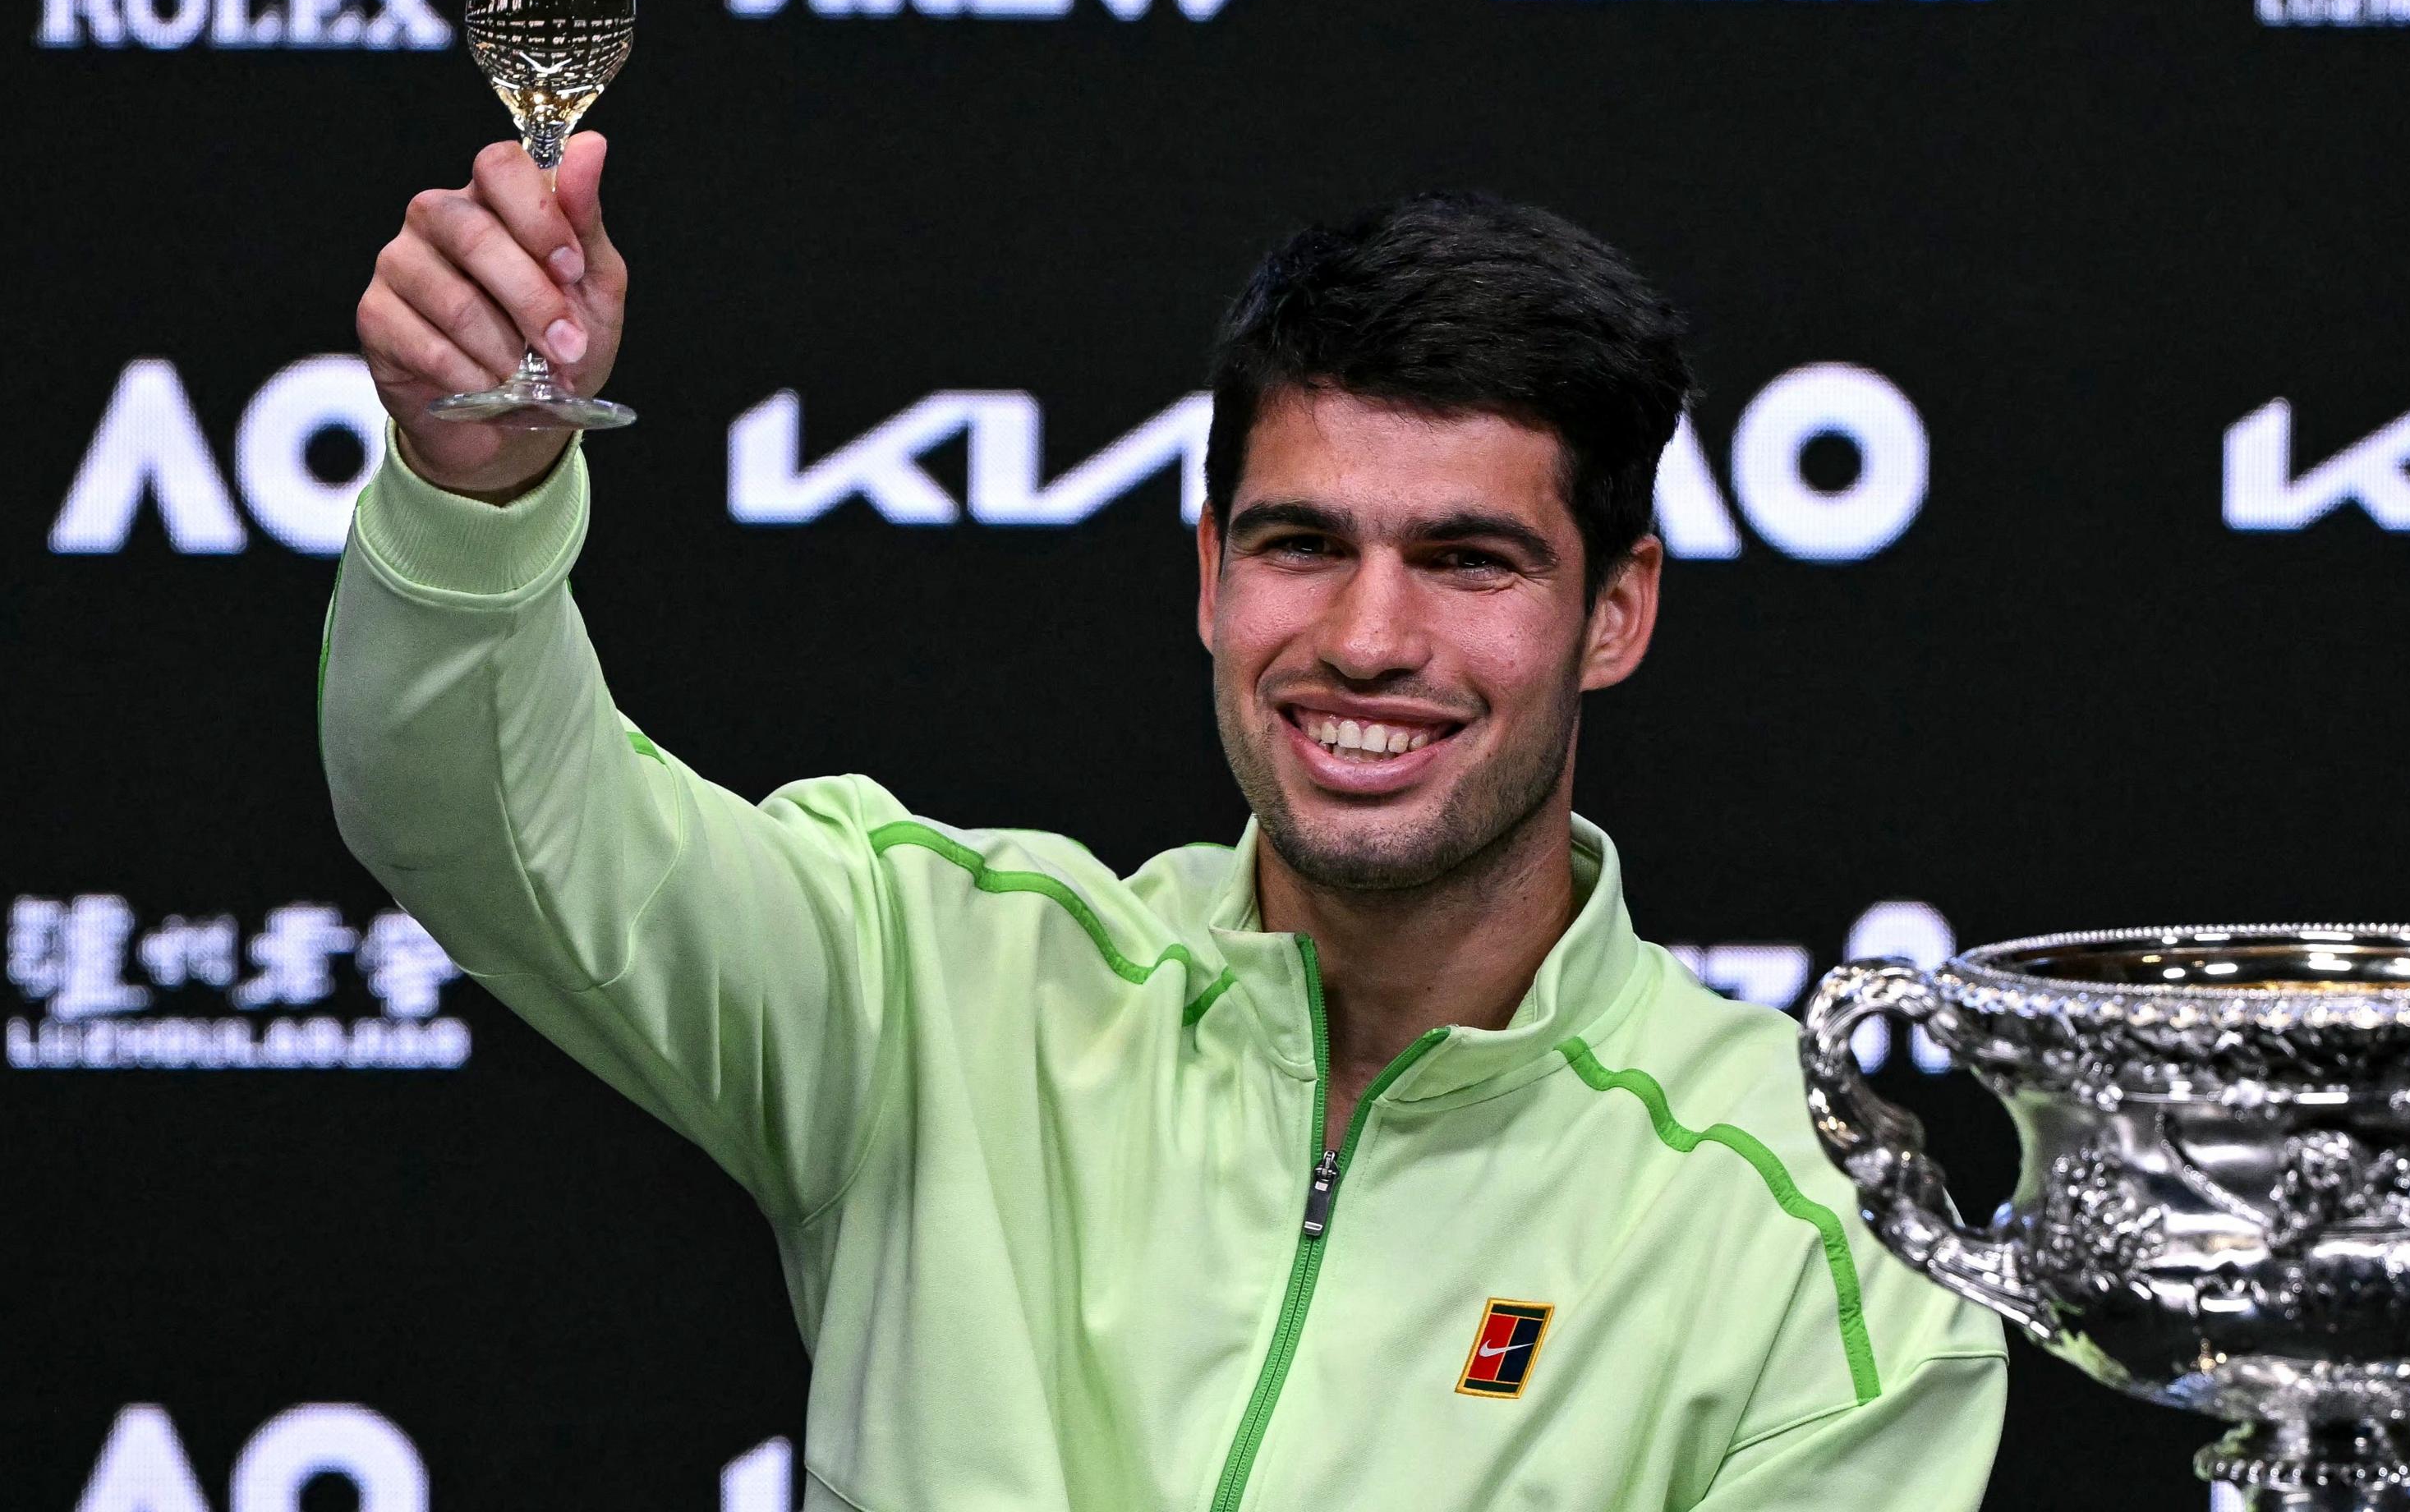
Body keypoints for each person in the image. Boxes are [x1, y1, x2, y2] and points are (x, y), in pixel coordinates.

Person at [323, 134, 2006, 1512]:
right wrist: (475, 492)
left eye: (1467, 561)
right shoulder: (941, 981)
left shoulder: (1817, 1234)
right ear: (1209, 573)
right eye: (1299, 545)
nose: (1366, 638)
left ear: (1616, 613)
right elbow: (476, 816)